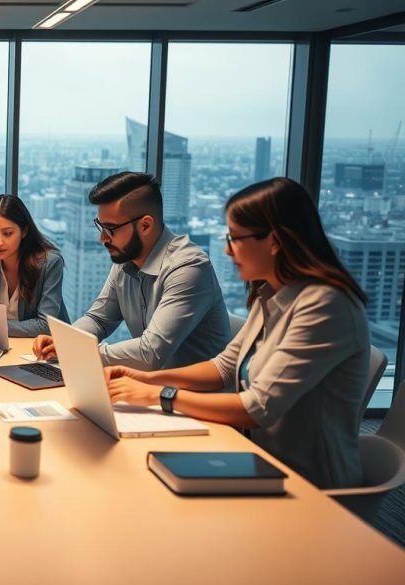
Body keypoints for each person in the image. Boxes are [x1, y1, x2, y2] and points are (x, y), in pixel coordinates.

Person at [106, 178, 370, 489]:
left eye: (235, 238)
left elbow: (259, 408)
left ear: (274, 241)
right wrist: (145, 379)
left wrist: (161, 395)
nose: (227, 249)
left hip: (309, 485)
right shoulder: (271, 291)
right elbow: (223, 368)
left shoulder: (325, 306)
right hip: (255, 459)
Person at [32, 172, 230, 370]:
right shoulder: (126, 259)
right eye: (100, 226)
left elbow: (150, 352)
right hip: (151, 386)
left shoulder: (188, 268)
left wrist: (78, 351)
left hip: (196, 395)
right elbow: (98, 319)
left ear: (145, 225)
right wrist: (66, 341)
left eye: (110, 229)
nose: (103, 238)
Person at [0, 194, 69, 336]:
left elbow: (45, 325)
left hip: (43, 351)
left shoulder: (50, 263)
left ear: (24, 231)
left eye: (7, 233)